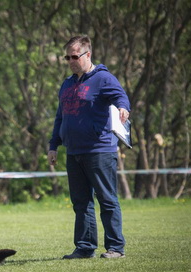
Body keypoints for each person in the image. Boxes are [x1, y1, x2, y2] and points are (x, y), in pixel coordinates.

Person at [48, 36, 129, 259]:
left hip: (99, 151)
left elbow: (120, 96)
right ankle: (84, 248)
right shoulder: (67, 84)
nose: (71, 61)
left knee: (107, 200)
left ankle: (115, 248)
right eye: (67, 57)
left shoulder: (103, 78)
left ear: (87, 55)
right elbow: (60, 117)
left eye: (75, 56)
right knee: (81, 203)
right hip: (74, 152)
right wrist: (53, 145)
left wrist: (123, 108)